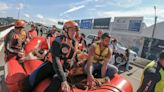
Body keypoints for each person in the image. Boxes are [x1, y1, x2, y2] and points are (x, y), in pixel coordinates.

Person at [21, 20, 79, 92]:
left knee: (55, 84)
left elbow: (75, 58)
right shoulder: (58, 41)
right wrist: (64, 80)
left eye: (75, 30)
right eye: (72, 30)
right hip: (51, 65)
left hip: (63, 69)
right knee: (32, 79)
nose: (74, 32)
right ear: (65, 30)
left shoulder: (75, 44)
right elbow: (56, 60)